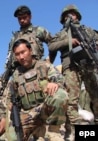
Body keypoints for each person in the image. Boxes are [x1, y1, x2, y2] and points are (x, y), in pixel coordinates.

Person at [48, 4, 98, 140]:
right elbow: (51, 46)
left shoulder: (87, 30)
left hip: (89, 66)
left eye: (73, 14)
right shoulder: (61, 34)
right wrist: (69, 41)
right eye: (67, 14)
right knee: (72, 101)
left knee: (96, 96)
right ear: (63, 18)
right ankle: (74, 131)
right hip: (70, 67)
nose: (70, 16)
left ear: (78, 15)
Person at [8, 39, 68, 140]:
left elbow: (60, 80)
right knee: (12, 138)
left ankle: (54, 131)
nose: (21, 57)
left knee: (60, 95)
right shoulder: (16, 75)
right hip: (28, 115)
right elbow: (11, 98)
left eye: (23, 52)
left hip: (45, 109)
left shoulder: (44, 65)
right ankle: (37, 131)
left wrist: (55, 83)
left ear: (30, 51)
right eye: (17, 54)